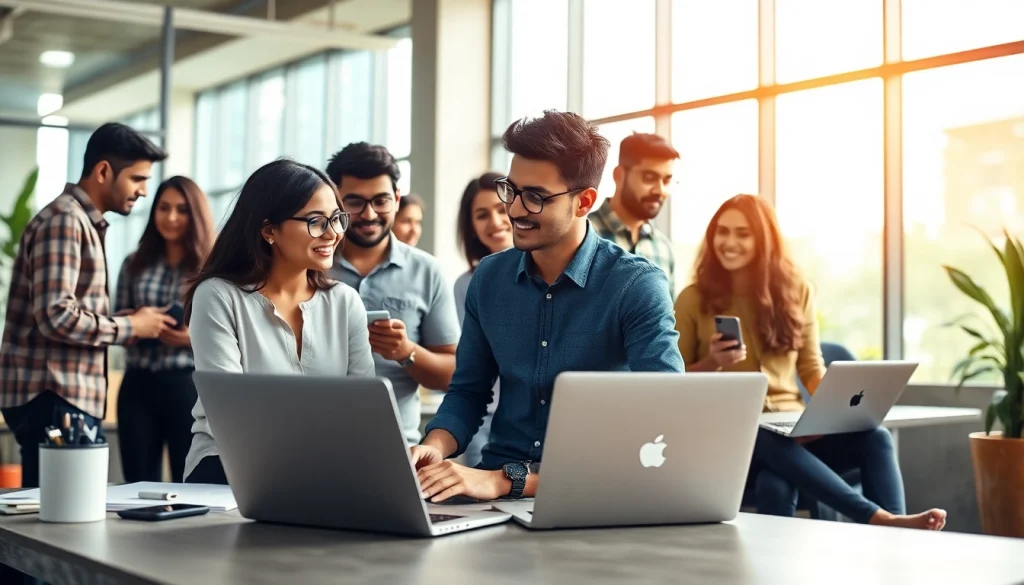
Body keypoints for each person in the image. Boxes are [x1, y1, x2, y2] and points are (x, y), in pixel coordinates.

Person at [411, 110, 684, 503]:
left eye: (536, 197)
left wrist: (509, 481)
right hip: (495, 493)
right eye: (512, 190)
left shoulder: (636, 285)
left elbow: (665, 415)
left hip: (592, 490)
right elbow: (469, 392)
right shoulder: (488, 280)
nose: (516, 210)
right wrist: (435, 446)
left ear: (584, 201)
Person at [673, 194, 946, 531]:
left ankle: (898, 539)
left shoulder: (795, 291)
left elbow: (811, 370)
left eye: (743, 234)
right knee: (755, 431)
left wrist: (831, 412)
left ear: (764, 240)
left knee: (874, 438)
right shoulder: (692, 298)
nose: (729, 242)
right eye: (722, 232)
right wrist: (713, 362)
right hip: (731, 440)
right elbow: (674, 381)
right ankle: (882, 520)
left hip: (792, 432)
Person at [0, 122, 174, 488]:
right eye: (137, 179)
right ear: (103, 171)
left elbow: (61, 309)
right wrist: (131, 327)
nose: (144, 191)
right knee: (59, 526)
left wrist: (128, 321)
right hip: (54, 396)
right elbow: (55, 316)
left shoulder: (79, 222)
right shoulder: (66, 220)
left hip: (61, 397)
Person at [182, 159, 374, 485]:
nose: (332, 233)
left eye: (337, 219)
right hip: (230, 466)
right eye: (315, 221)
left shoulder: (345, 301)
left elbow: (365, 409)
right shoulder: (218, 296)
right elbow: (230, 413)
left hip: (325, 468)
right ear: (269, 229)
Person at [326, 143, 460, 444]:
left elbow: (453, 375)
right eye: (355, 202)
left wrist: (405, 352)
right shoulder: (308, 266)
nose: (369, 214)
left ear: (397, 199)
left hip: (396, 444)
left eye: (381, 201)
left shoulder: (428, 271)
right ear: (334, 202)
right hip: (309, 439)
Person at [114, 176, 215, 483]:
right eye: (164, 208)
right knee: (138, 481)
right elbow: (116, 320)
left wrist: (191, 339)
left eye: (182, 210)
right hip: (138, 385)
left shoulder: (211, 267)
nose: (171, 217)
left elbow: (230, 333)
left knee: (190, 482)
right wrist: (139, 324)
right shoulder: (134, 263)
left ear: (195, 214)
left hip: (187, 387)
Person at [452, 171, 512, 466]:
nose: (496, 222)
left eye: (502, 210)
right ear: (471, 226)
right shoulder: (467, 284)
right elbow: (471, 365)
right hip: (485, 418)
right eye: (482, 215)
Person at [589, 132, 678, 297]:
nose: (660, 191)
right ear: (619, 175)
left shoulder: (664, 248)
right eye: (649, 178)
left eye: (666, 181)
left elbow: (667, 320)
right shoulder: (583, 235)